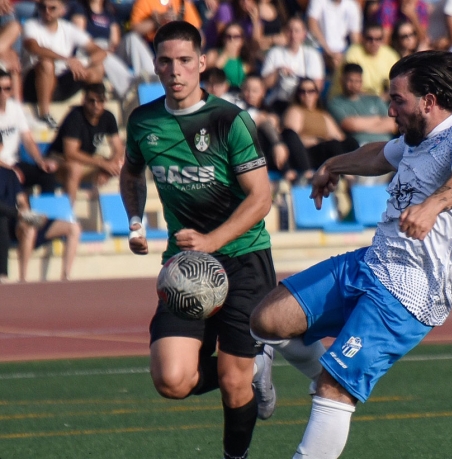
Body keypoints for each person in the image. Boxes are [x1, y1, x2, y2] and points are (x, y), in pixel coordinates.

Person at [250, 50, 452, 458]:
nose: (390, 108)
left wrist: (432, 206)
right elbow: (381, 153)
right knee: (266, 320)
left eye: (398, 99)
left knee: (334, 390)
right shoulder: (416, 139)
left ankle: (337, 381)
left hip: (411, 292)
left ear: (428, 101)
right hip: (371, 264)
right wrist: (333, 164)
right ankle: (335, 371)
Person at [119, 21, 277, 459]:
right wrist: (135, 219)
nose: (176, 70)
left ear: (202, 63)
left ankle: (235, 452)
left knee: (232, 382)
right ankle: (251, 365)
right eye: (166, 61)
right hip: (186, 267)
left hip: (243, 259)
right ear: (154, 65)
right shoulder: (144, 121)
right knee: (172, 381)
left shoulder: (230, 119)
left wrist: (211, 240)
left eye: (185, 61)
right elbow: (131, 172)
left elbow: (261, 198)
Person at [21, 0, 107, 130]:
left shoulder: (68, 28)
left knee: (97, 69)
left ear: (62, 10)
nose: (47, 11)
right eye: (43, 7)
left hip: (60, 82)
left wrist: (82, 63)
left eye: (52, 8)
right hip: (34, 85)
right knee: (46, 64)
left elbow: (99, 52)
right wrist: (67, 60)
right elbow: (34, 47)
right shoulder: (31, 25)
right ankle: (44, 114)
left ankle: (92, 115)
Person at [0, 164, 81, 283]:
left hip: (20, 217)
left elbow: (21, 199)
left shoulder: (10, 174)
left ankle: (66, 276)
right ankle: (23, 278)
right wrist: (20, 215)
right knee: (29, 230)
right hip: (8, 222)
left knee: (74, 227)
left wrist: (29, 214)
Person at [48, 83, 124, 205]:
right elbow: (70, 153)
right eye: (91, 101)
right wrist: (102, 164)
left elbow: (118, 149)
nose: (96, 105)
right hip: (58, 160)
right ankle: (68, 216)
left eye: (100, 101)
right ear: (84, 100)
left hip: (86, 161)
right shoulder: (75, 116)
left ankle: (122, 214)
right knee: (75, 168)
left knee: (124, 164)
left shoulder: (108, 117)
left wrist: (108, 170)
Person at [0, 69, 59, 195]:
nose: (3, 93)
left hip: (13, 163)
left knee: (46, 175)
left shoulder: (15, 108)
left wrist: (39, 160)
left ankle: (47, 214)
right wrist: (10, 169)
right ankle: (16, 213)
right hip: (3, 167)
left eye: (7, 88)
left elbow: (27, 139)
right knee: (10, 179)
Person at [282, 77, 359, 169]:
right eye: (302, 91)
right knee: (332, 145)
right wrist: (316, 141)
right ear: (298, 94)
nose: (306, 95)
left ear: (317, 94)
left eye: (311, 91)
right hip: (309, 152)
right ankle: (343, 174)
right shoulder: (295, 111)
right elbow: (291, 138)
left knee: (350, 142)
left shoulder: (323, 114)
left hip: (325, 147)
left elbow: (339, 137)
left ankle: (358, 171)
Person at [261, 15, 325, 117]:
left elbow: (317, 85)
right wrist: (278, 71)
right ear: (285, 33)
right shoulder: (275, 53)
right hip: (278, 102)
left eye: (297, 31)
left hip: (302, 102)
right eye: (290, 30)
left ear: (304, 34)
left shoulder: (312, 55)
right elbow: (264, 84)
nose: (293, 34)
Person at [328, 63, 397, 147]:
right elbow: (350, 125)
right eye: (350, 80)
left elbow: (392, 124)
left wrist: (361, 126)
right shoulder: (335, 103)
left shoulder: (375, 99)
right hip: (359, 147)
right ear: (341, 80)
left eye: (358, 81)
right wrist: (378, 119)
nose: (354, 84)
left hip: (386, 145)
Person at [328, 22, 400, 101]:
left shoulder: (390, 55)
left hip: (376, 101)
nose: (374, 42)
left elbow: (397, 85)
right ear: (362, 38)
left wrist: (385, 96)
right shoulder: (353, 54)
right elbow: (351, 88)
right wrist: (377, 99)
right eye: (369, 38)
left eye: (378, 39)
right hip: (346, 100)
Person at [306, 0, 362, 71]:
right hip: (319, 47)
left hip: (341, 50)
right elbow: (312, 25)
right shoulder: (318, 1)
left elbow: (355, 38)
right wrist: (329, 51)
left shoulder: (352, 6)